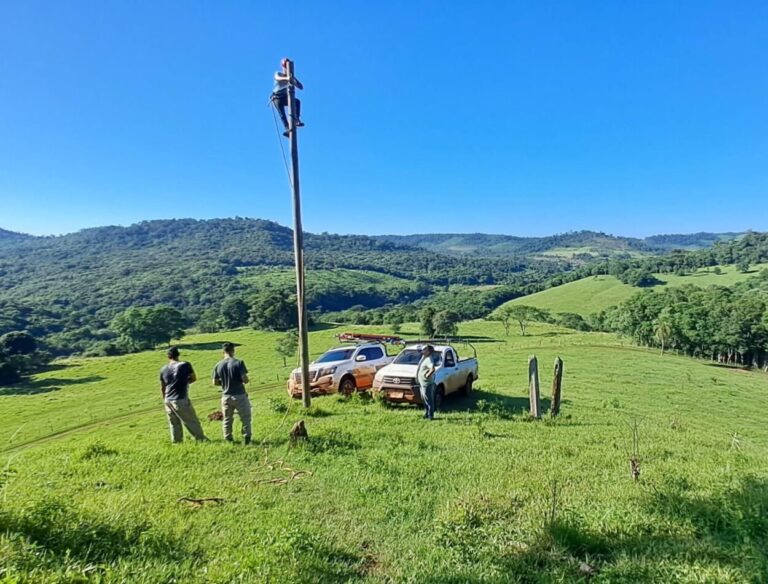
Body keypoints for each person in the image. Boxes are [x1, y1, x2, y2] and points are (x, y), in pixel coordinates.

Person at [160, 346, 207, 443]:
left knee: (174, 423)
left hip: (168, 399)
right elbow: (193, 378)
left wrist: (164, 399)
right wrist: (185, 382)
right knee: (191, 421)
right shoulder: (185, 365)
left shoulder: (163, 369)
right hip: (180, 398)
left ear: (168, 356)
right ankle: (201, 439)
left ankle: (177, 442)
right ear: (178, 355)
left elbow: (163, 387)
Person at [213, 342, 252, 444]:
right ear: (233, 350)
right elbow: (245, 379)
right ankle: (246, 438)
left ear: (223, 352)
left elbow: (215, 382)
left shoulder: (218, 365)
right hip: (239, 395)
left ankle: (228, 438)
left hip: (226, 396)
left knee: (227, 419)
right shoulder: (239, 362)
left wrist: (225, 382)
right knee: (245, 418)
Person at [271, 57, 304, 137]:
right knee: (282, 115)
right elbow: (277, 78)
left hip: (285, 96)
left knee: (297, 102)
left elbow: (301, 87)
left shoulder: (290, 77)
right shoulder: (278, 73)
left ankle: (297, 120)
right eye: (285, 67)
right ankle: (287, 129)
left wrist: (293, 78)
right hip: (277, 97)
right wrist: (287, 78)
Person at [417, 345, 438, 420]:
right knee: (424, 400)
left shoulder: (429, 359)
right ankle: (426, 413)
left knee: (429, 400)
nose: (422, 351)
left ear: (428, 351)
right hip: (422, 383)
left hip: (427, 384)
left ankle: (430, 415)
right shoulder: (425, 358)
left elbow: (432, 369)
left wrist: (427, 376)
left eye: (424, 349)